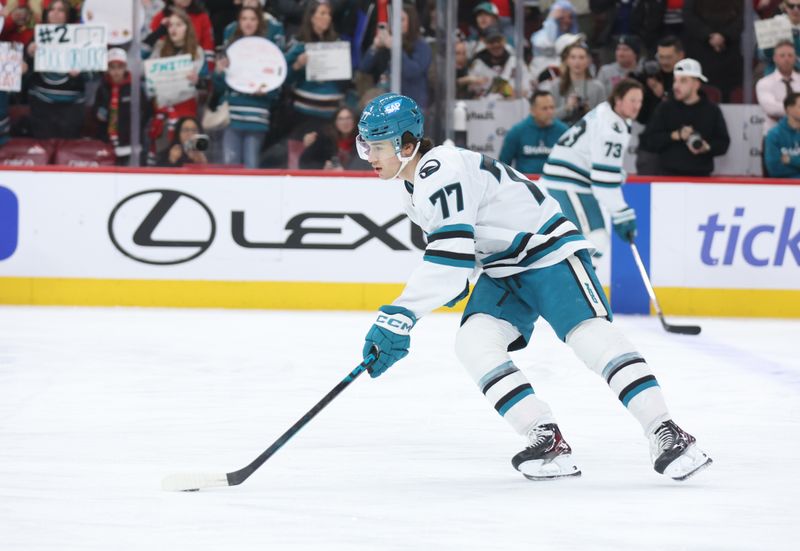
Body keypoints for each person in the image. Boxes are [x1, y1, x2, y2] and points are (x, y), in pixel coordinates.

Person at [355, 91, 712, 482]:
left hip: (547, 252)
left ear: (407, 145)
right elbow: (459, 252)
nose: (370, 155)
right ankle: (546, 438)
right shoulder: (414, 189)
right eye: (364, 144)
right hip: (503, 266)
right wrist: (449, 285)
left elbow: (449, 253)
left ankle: (665, 429)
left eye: (377, 145)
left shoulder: (439, 167)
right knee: (472, 343)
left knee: (589, 338)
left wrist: (398, 316)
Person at [538, 78, 641, 258]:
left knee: (592, 242)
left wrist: (613, 173)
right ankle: (578, 285)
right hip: (565, 183)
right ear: (618, 100)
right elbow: (604, 183)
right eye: (632, 100)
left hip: (567, 181)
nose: (637, 106)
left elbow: (597, 160)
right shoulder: (612, 129)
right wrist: (621, 213)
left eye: (640, 101)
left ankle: (580, 284)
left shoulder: (606, 111)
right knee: (591, 241)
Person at [214, 4, 279, 168]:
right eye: (244, 19)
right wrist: (219, 72)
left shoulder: (269, 50)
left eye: (252, 19)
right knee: (230, 166)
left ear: (259, 22)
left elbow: (276, 89)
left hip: (257, 117)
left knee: (252, 165)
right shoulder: (230, 49)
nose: (248, 23)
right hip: (232, 117)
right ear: (238, 22)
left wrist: (266, 91)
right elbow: (220, 87)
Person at [641, 58, 730, 176]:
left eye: (683, 81)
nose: (676, 86)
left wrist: (706, 147)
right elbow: (649, 140)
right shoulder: (665, 108)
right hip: (667, 177)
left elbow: (723, 143)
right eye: (675, 81)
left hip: (701, 178)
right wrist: (675, 135)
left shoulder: (712, 110)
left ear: (696, 84)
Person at [358, 4, 432, 110]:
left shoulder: (422, 46)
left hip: (412, 103)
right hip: (388, 102)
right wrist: (375, 47)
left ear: (411, 22)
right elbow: (364, 68)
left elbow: (412, 72)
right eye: (395, 20)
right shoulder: (389, 41)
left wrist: (395, 49)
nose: (398, 24)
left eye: (402, 20)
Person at [93, 48, 150, 165]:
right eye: (112, 67)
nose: (116, 71)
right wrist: (99, 115)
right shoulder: (103, 87)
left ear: (125, 68)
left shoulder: (135, 87)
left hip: (131, 143)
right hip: (108, 142)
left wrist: (137, 132)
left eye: (119, 67)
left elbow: (146, 112)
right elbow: (96, 111)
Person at [499, 90, 568, 175]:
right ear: (532, 111)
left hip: (554, 183)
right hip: (526, 185)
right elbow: (503, 165)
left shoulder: (564, 132)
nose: (550, 112)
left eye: (552, 107)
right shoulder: (517, 132)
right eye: (544, 108)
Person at [543, 41, 605, 125]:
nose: (577, 62)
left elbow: (603, 118)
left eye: (581, 57)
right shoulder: (556, 85)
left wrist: (588, 111)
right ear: (567, 60)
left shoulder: (598, 87)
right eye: (573, 57)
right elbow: (547, 117)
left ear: (588, 61)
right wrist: (566, 108)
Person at [465, 24, 530, 99]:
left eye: (498, 41)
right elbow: (473, 91)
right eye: (491, 42)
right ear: (485, 43)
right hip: (487, 106)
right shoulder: (478, 63)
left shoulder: (515, 61)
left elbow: (527, 86)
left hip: (514, 105)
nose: (496, 45)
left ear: (504, 40)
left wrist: (519, 91)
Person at [756, 40, 800, 136]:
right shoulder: (764, 83)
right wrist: (797, 111)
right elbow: (771, 109)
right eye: (782, 55)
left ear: (795, 58)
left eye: (790, 55)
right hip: (773, 136)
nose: (786, 59)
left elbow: (777, 111)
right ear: (775, 58)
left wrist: (781, 112)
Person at [757, 0, 800, 75]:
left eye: (799, 6)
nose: (795, 9)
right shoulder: (773, 23)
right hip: (776, 74)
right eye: (791, 6)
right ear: (785, 6)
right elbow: (761, 57)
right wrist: (767, 50)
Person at [764, 91, 800, 177]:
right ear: (788, 109)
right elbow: (774, 169)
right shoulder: (774, 135)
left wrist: (790, 160)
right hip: (783, 187)